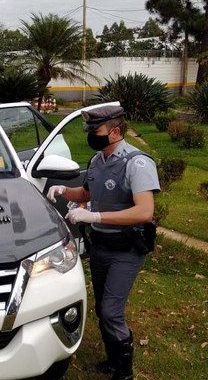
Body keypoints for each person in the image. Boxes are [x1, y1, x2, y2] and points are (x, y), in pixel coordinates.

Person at [46, 105, 160, 380]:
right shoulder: (98, 160)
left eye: (95, 130)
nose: (90, 135)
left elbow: (145, 211)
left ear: (116, 132)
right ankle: (113, 361)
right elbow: (87, 191)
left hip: (126, 248)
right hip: (100, 246)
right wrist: (63, 190)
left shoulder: (137, 163)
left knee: (110, 311)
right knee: (101, 308)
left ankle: (124, 373)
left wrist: (94, 214)